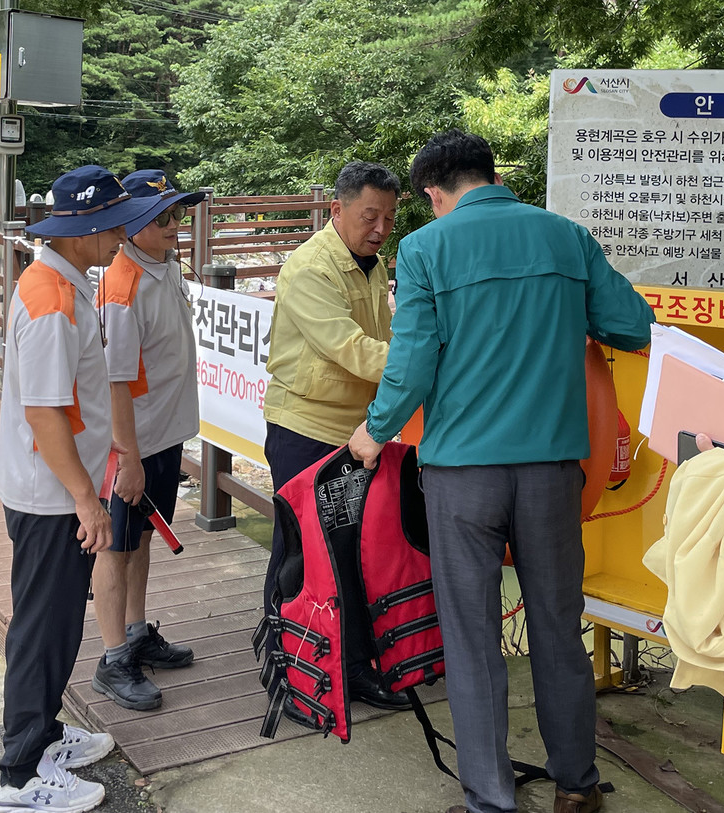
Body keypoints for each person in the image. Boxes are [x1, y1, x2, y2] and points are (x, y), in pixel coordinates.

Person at [348, 130, 654, 813]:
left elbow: (414, 359)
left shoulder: (427, 248)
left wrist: (373, 431)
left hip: (462, 475)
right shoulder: (566, 237)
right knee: (555, 623)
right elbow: (633, 325)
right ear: (492, 175)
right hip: (552, 469)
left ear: (434, 192)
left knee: (473, 635)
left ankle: (491, 799)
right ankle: (576, 784)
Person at [0, 165, 158, 813]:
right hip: (51, 495)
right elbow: (44, 413)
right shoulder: (53, 299)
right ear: (83, 230)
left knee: (57, 622)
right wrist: (88, 500)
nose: (121, 233)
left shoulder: (61, 282)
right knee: (42, 627)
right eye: (113, 223)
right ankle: (19, 772)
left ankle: (44, 734)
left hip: (55, 488)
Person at [261, 160, 409, 711]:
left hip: (357, 430)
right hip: (305, 428)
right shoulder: (310, 268)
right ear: (336, 210)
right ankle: (291, 677)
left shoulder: (371, 263)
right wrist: (422, 365)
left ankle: (350, 669)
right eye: (370, 216)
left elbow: (387, 335)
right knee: (298, 558)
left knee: (351, 555)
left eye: (389, 217)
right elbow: (352, 349)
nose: (380, 228)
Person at [89, 170, 205, 711]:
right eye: (161, 217)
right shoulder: (120, 283)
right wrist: (126, 456)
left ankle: (136, 633)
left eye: (177, 213)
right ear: (130, 224)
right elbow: (113, 380)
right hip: (129, 443)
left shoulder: (167, 266)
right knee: (113, 545)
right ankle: (113, 658)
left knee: (142, 537)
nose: (174, 224)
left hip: (163, 434)